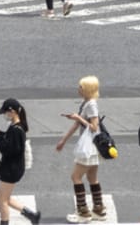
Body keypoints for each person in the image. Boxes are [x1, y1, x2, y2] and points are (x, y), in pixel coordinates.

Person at [55, 76, 106, 222]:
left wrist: (79, 118)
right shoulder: (86, 103)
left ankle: (83, 212)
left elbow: (94, 127)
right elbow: (77, 124)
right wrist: (63, 140)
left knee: (75, 177)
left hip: (88, 147)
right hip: (92, 147)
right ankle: (98, 210)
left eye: (81, 87)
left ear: (88, 89)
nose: (78, 89)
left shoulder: (91, 105)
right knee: (92, 177)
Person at [0, 99, 40, 225]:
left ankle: (6, 222)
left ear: (12, 112)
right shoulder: (16, 126)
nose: (4, 115)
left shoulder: (16, 129)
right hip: (12, 168)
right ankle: (31, 215)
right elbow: (10, 142)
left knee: (3, 201)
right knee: (4, 198)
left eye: (5, 112)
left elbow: (9, 150)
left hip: (11, 169)